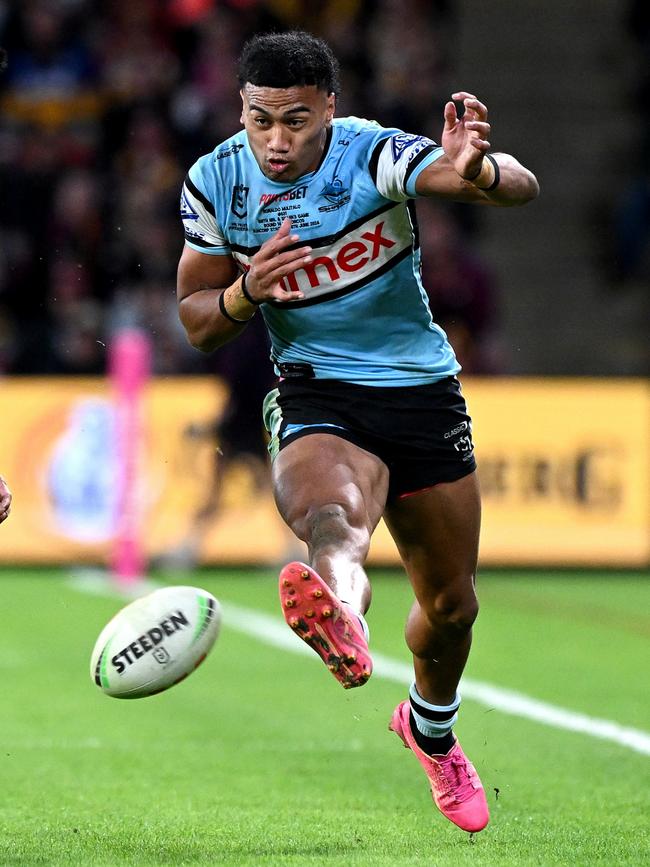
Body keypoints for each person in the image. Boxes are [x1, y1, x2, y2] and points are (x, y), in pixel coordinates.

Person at [176, 31, 539, 834]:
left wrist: (478, 167)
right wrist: (243, 293)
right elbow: (198, 321)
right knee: (332, 518)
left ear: (329, 110)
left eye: (296, 120)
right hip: (316, 392)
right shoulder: (214, 181)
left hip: (421, 391)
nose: (276, 141)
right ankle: (341, 611)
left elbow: (518, 186)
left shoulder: (369, 154)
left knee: (452, 607)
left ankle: (429, 727)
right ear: (240, 109)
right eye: (260, 119)